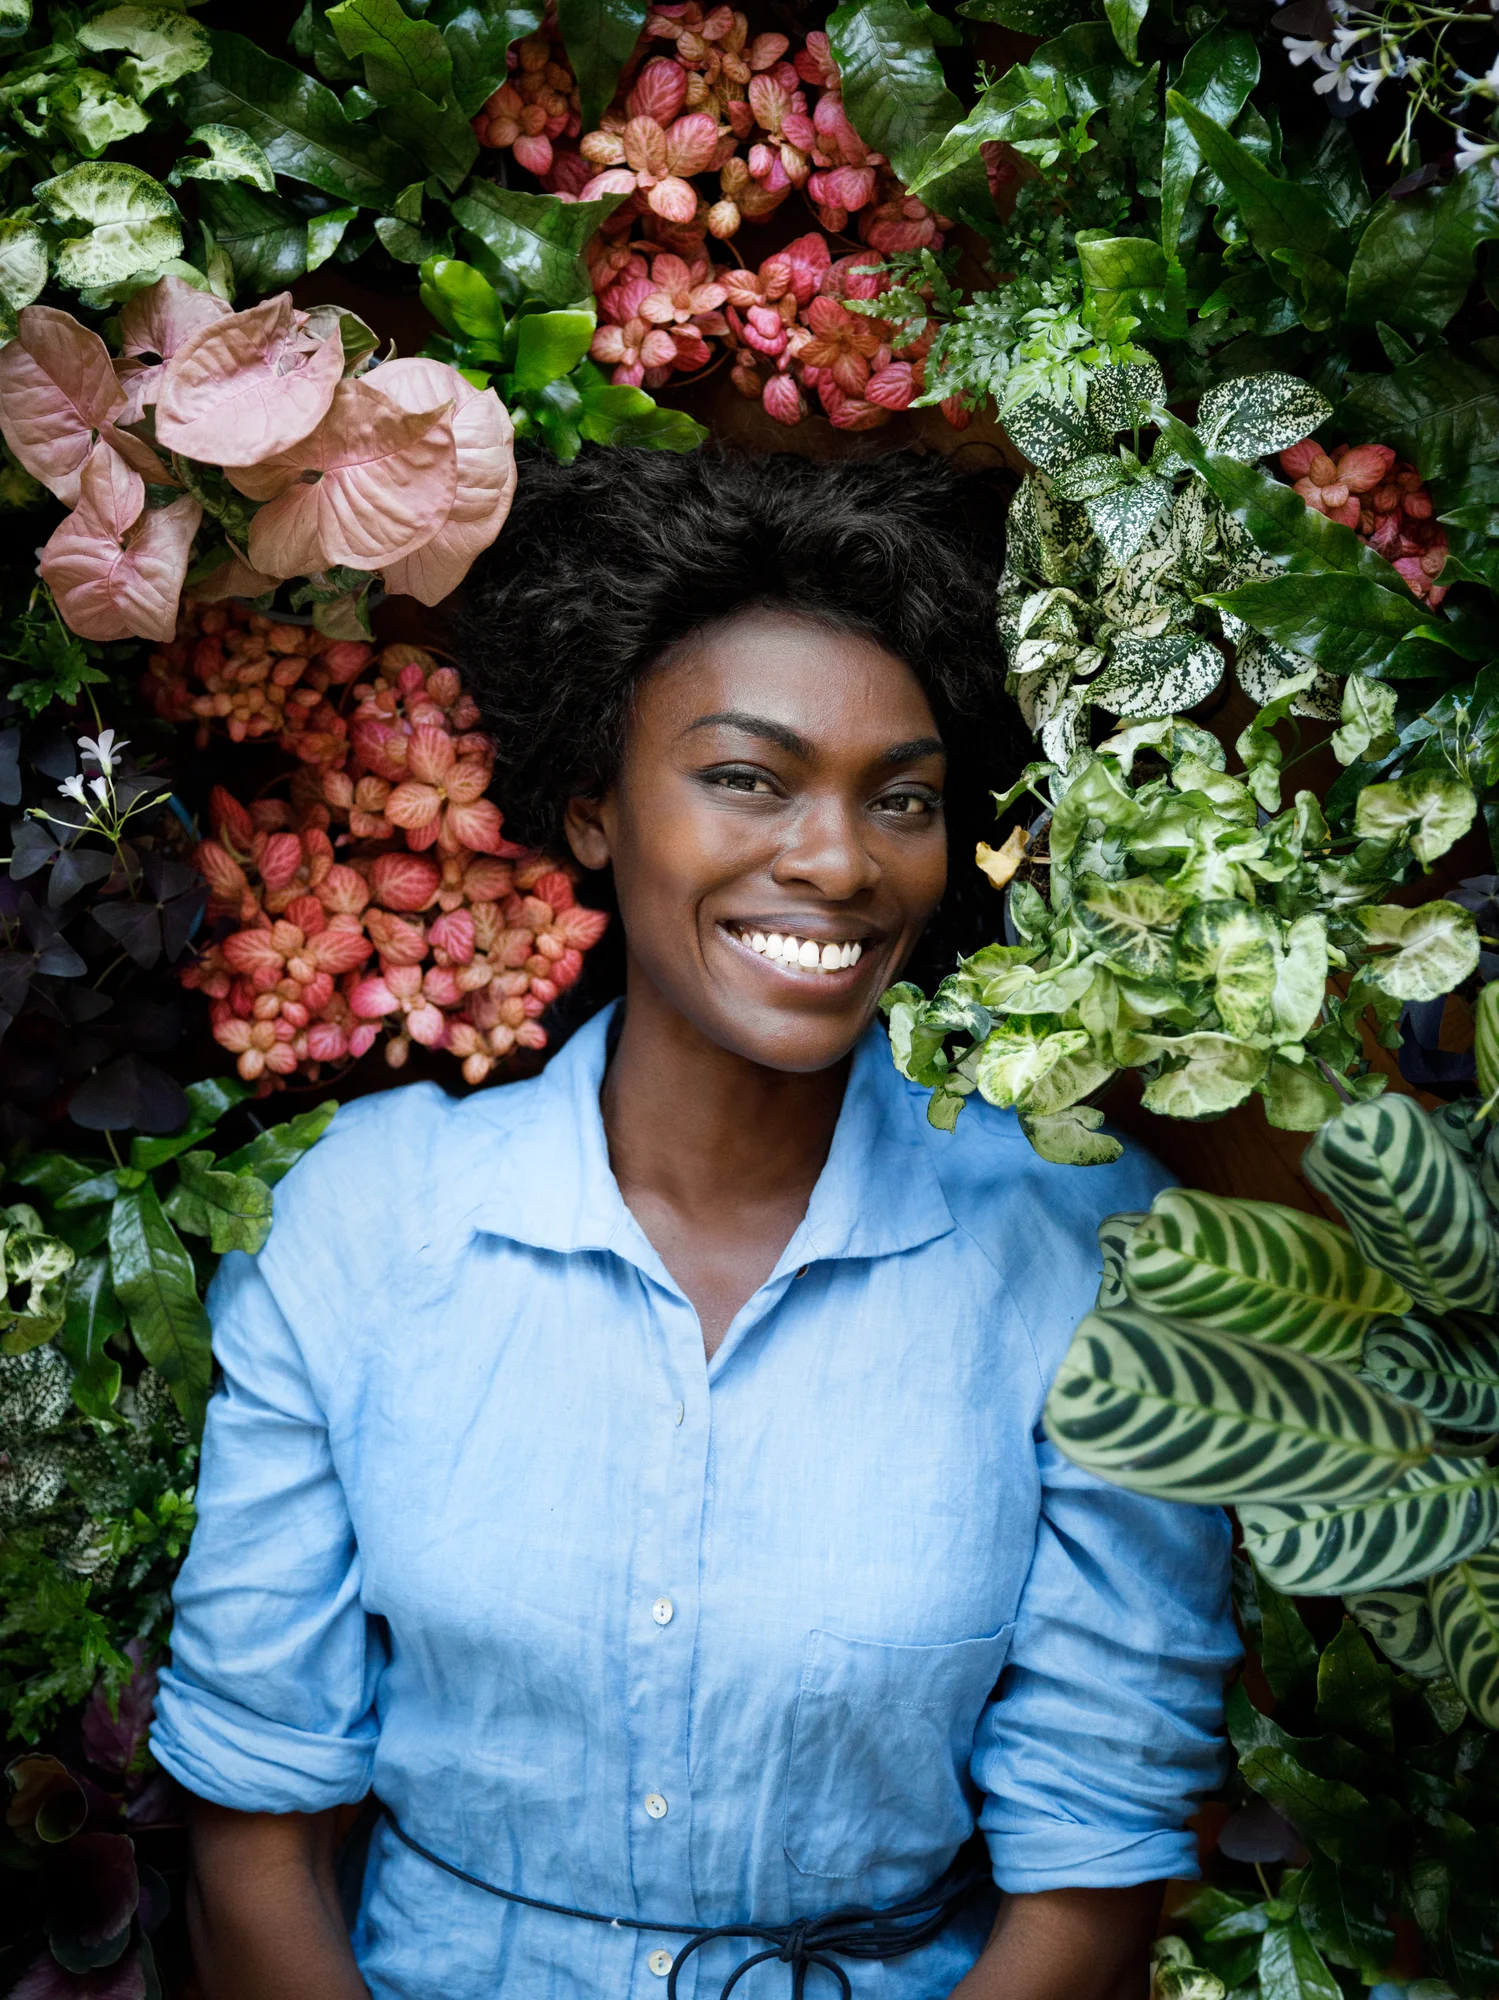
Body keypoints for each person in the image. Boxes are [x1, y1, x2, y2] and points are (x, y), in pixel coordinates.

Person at [151, 448, 1239, 2000]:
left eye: (904, 800)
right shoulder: (369, 1216)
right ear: (592, 810)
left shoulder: (1091, 1250)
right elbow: (256, 1826)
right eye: (745, 775)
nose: (835, 859)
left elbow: (1095, 1858)